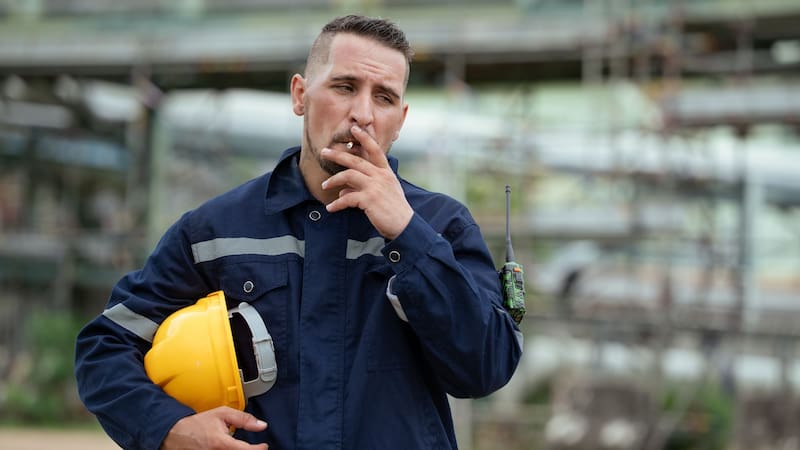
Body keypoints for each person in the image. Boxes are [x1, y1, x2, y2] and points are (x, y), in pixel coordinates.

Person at [75, 14, 523, 450]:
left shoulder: (441, 226)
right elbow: (106, 347)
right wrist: (169, 429)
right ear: (300, 94)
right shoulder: (215, 230)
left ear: (400, 120)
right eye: (345, 87)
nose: (362, 114)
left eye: (384, 97)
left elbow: (485, 367)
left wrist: (407, 234)